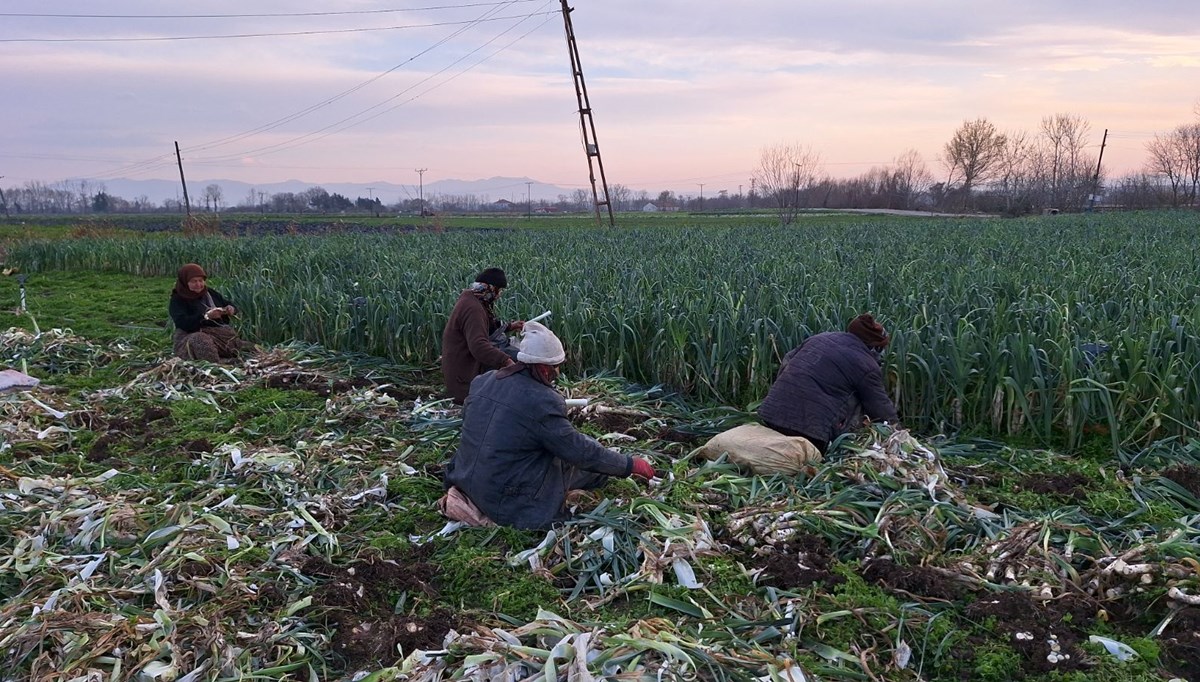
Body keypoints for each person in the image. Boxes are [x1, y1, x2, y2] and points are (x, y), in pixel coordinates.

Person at [441, 321, 656, 529]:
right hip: (505, 501)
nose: (558, 373)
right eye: (557, 368)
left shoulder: (484, 381)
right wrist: (629, 465)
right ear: (544, 369)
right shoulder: (542, 402)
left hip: (467, 478)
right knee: (588, 470)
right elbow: (580, 452)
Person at [758, 313, 900, 454]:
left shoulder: (819, 338)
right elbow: (880, 407)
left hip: (770, 416)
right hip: (811, 433)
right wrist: (898, 432)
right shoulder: (867, 365)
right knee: (859, 397)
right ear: (874, 347)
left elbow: (786, 362)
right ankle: (839, 443)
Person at [441, 267, 526, 404]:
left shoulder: (472, 299)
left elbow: (488, 326)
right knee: (520, 363)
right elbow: (478, 346)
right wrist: (506, 361)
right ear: (490, 288)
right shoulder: (473, 309)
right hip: (464, 380)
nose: (499, 295)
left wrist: (510, 326)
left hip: (463, 370)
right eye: (499, 290)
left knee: (515, 356)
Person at [168, 263, 253, 362]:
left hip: (219, 335)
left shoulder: (209, 293)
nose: (198, 284)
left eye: (201, 281)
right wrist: (206, 316)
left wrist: (231, 309)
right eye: (194, 281)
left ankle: (228, 356)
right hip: (191, 335)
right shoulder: (178, 299)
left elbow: (228, 304)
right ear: (185, 282)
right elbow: (182, 322)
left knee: (250, 348)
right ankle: (216, 364)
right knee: (200, 340)